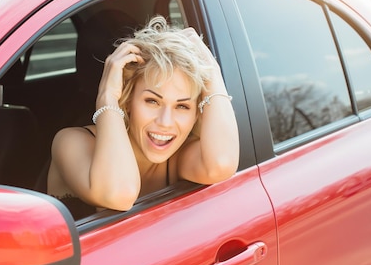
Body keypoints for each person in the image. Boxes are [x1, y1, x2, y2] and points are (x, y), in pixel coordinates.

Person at [47, 15, 239, 218]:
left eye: (182, 106)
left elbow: (221, 164)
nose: (165, 122)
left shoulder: (178, 156)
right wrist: (107, 97)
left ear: (196, 113)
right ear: (128, 100)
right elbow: (119, 194)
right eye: (152, 101)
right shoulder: (70, 142)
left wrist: (214, 73)